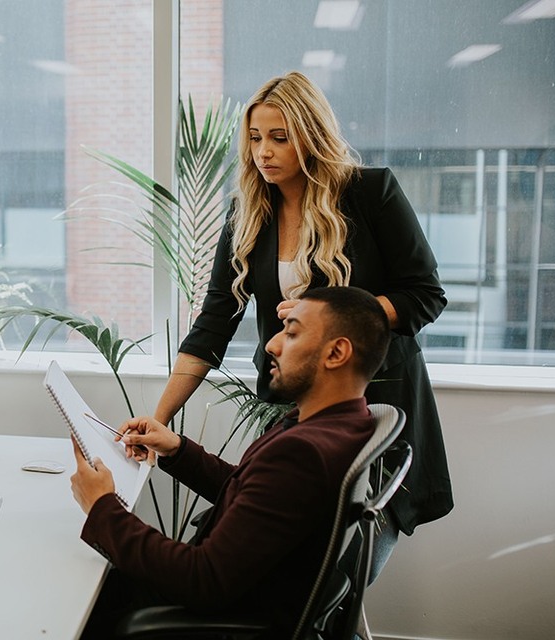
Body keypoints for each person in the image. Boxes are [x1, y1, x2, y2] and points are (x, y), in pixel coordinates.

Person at [156, 71, 453, 555]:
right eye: (255, 138)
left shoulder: (371, 193)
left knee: (335, 552)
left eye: (279, 137)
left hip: (372, 403)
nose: (263, 152)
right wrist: (160, 419)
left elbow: (425, 294)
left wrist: (333, 315)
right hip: (296, 409)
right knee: (268, 546)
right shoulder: (246, 214)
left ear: (311, 136)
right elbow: (213, 324)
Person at [71, 286, 391, 637]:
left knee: (75, 595)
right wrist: (176, 448)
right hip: (243, 593)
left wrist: (102, 506)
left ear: (336, 352)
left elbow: (202, 579)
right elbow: (252, 490)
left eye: (292, 333)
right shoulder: (340, 424)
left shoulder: (304, 452)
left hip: (214, 617)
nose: (272, 345)